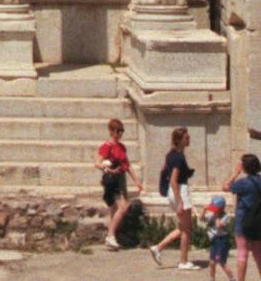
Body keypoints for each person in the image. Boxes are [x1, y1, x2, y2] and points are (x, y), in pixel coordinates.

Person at [151, 126, 200, 269]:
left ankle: (158, 248)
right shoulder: (178, 157)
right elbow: (173, 180)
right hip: (179, 190)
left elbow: (162, 171)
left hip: (173, 192)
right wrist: (180, 202)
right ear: (179, 140)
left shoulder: (170, 155)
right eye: (186, 137)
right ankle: (184, 261)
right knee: (186, 229)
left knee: (183, 227)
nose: (188, 139)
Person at [96, 116, 140, 251]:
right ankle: (110, 235)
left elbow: (127, 166)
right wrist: (106, 167)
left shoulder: (121, 147)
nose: (119, 134)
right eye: (116, 131)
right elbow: (97, 163)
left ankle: (112, 237)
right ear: (110, 131)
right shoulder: (106, 147)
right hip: (112, 181)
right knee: (123, 207)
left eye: (121, 131)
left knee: (115, 210)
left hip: (121, 179)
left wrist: (137, 181)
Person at [226, 154, 261, 281]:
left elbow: (225, 187)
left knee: (242, 253)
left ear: (245, 167)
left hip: (243, 221)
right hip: (259, 221)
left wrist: (235, 173)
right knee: (258, 252)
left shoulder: (243, 183)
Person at [203, 195, 234, 278]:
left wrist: (216, 215)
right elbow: (202, 219)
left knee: (222, 262)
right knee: (212, 262)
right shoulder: (212, 214)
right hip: (214, 240)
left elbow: (218, 225)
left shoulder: (225, 216)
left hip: (222, 241)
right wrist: (204, 210)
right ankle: (212, 278)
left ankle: (232, 278)